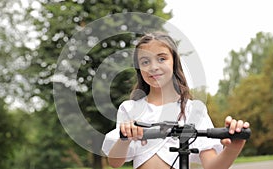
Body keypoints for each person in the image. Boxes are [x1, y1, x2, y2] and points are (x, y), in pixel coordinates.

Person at [102, 31, 250, 169]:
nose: (153, 67)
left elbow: (212, 165)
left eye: (162, 59)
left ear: (174, 61)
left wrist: (233, 148)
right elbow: (115, 162)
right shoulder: (130, 109)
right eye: (145, 62)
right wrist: (125, 138)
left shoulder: (193, 110)